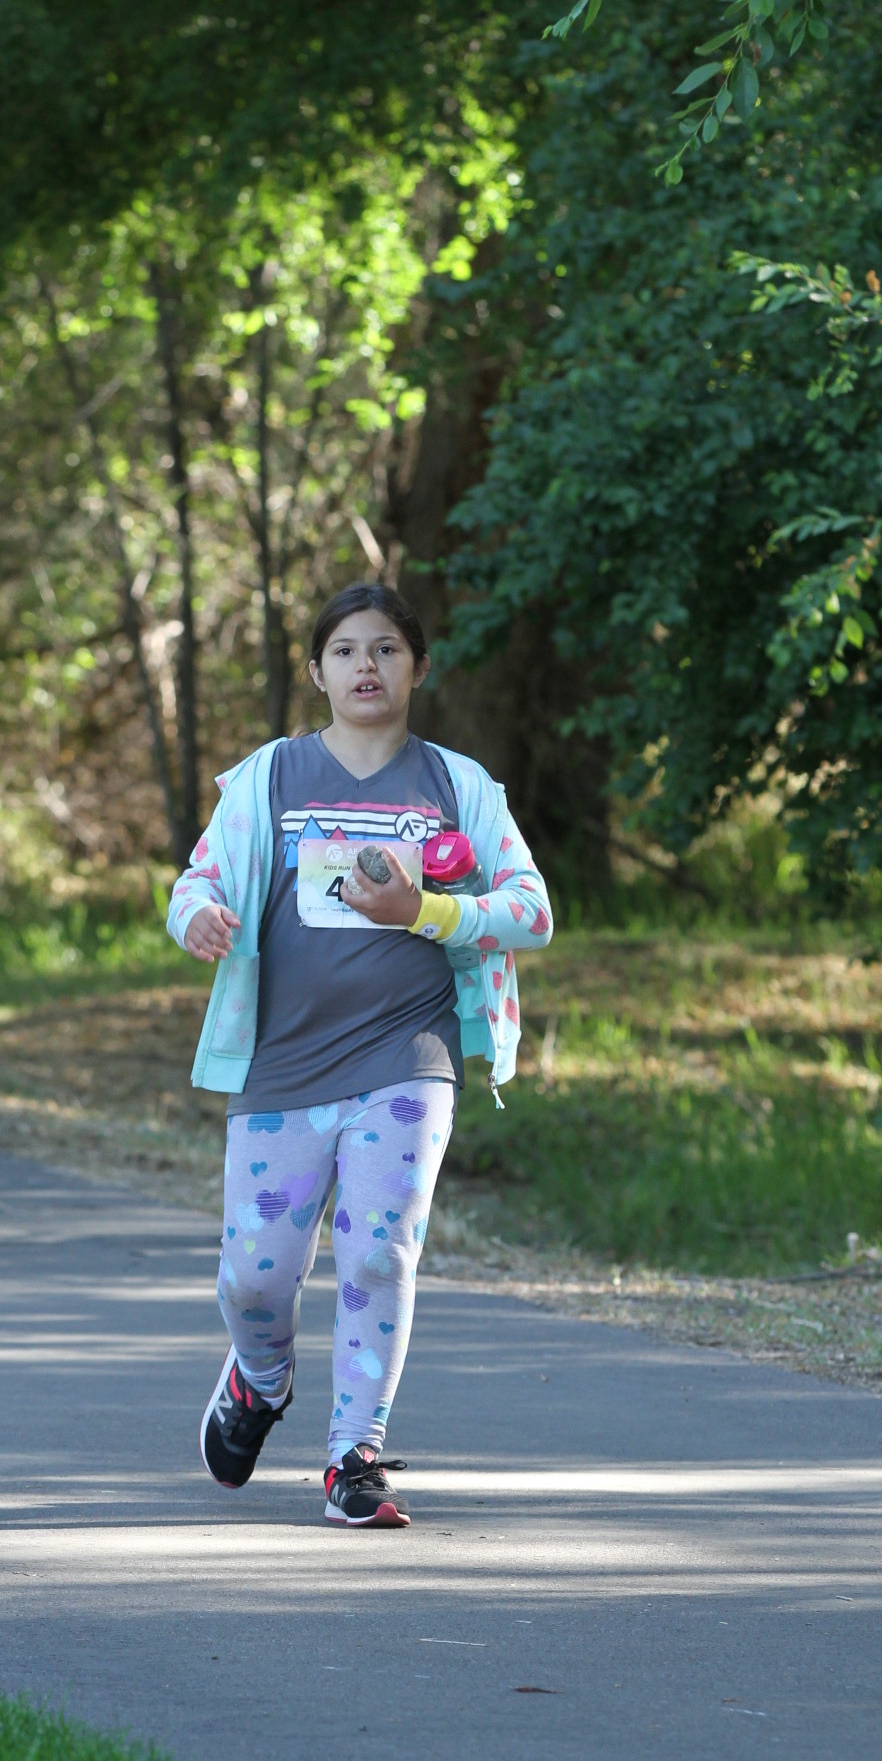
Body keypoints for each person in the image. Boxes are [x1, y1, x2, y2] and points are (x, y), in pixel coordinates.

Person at [167, 583, 552, 1530]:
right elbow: (196, 882)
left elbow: (531, 911)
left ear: (418, 668)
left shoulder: (458, 786)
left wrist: (427, 910)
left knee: (380, 1254)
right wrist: (199, 917)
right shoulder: (272, 776)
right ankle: (260, 1379)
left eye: (386, 649)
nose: (366, 666)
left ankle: (356, 1458)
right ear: (317, 672)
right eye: (345, 651)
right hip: (282, 1065)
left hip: (407, 1058)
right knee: (255, 1279)